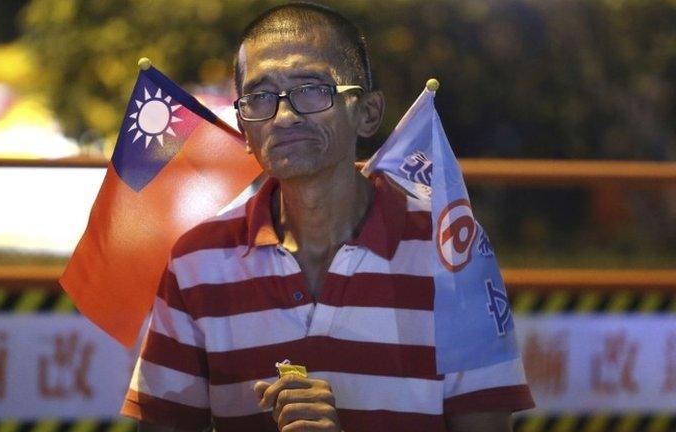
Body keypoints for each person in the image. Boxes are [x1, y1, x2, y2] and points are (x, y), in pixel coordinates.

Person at [121, 3, 534, 431]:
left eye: (312, 89)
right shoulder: (196, 262)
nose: (284, 116)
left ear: (368, 112)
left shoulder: (450, 251)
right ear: (244, 130)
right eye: (260, 97)